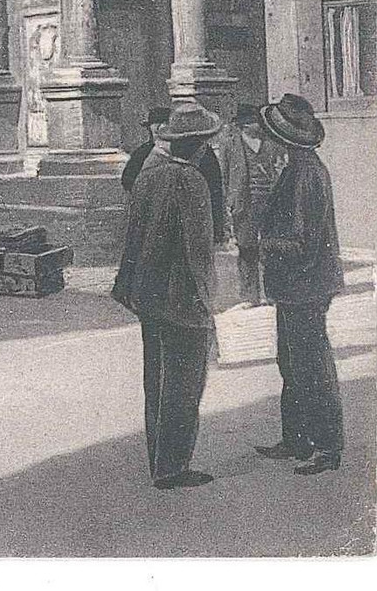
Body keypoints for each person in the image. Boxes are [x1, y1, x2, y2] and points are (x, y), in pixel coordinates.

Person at [113, 99, 220, 490]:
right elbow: (197, 250)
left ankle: (158, 460)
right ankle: (174, 467)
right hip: (182, 297)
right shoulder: (191, 181)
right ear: (199, 144)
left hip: (148, 293)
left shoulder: (148, 174)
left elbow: (134, 236)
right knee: (184, 383)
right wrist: (209, 301)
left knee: (155, 379)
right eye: (206, 142)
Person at [255, 94, 345, 476]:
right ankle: (297, 439)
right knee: (292, 363)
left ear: (283, 138)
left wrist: (259, 245)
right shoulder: (298, 168)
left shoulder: (307, 174)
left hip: (305, 284)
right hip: (296, 286)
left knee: (311, 367)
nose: (265, 140)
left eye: (269, 135)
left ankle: (326, 447)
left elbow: (303, 242)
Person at [124, 104, 227, 243]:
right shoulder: (148, 155)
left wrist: (217, 228)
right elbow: (131, 183)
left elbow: (215, 190)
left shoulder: (205, 155)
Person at [226, 104, 282, 305]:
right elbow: (226, 176)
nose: (257, 125)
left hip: (268, 203)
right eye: (252, 122)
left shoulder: (271, 144)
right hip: (244, 204)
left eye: (258, 121)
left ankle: (272, 292)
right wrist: (229, 202)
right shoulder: (231, 145)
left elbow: (279, 168)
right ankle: (250, 295)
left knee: (270, 248)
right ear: (243, 125)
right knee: (247, 248)